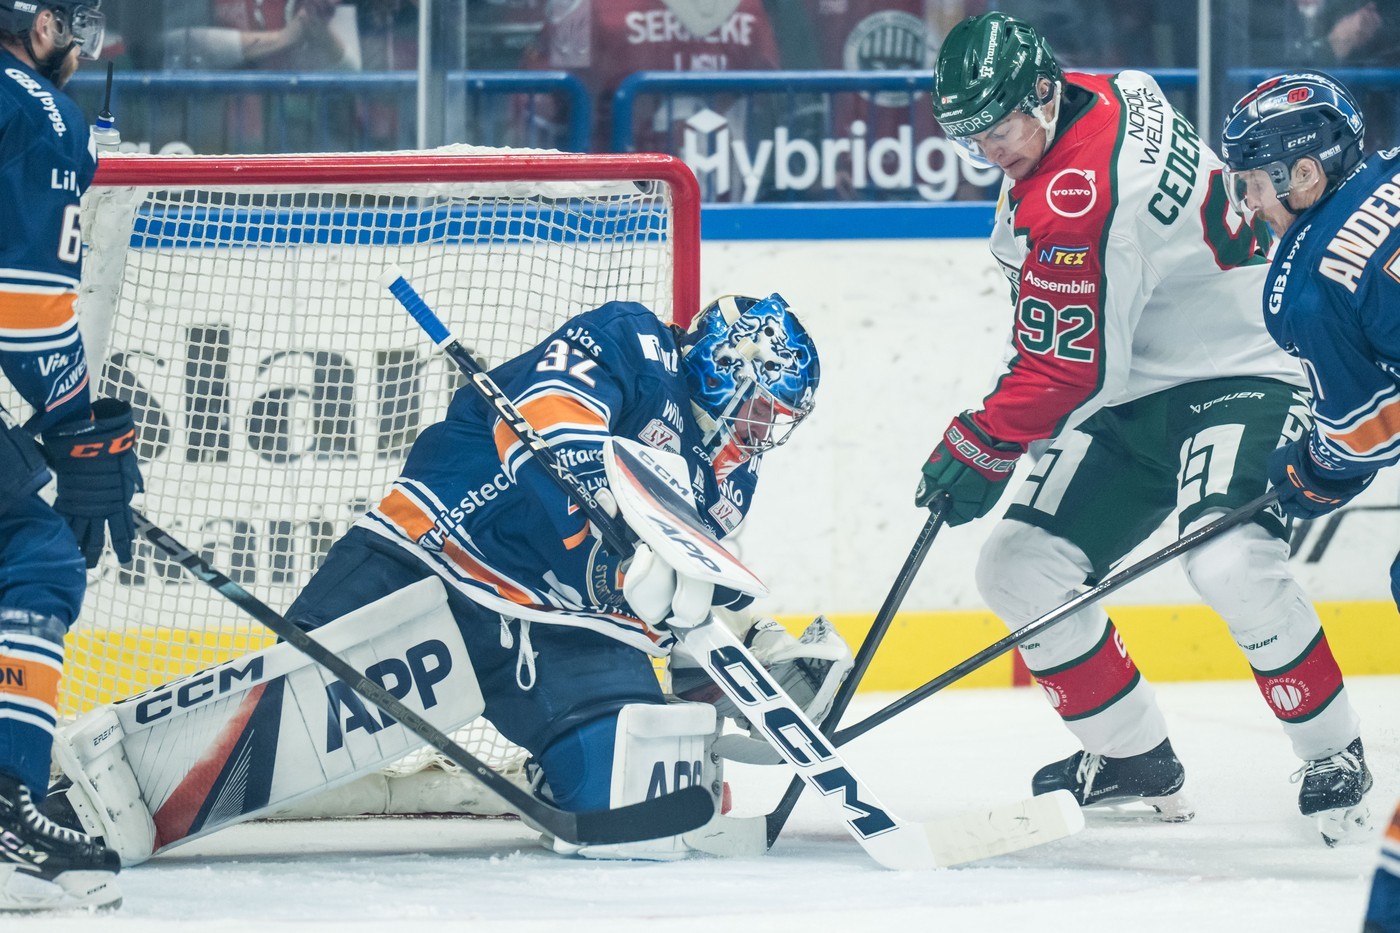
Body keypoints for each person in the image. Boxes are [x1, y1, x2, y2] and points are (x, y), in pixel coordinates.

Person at [919, 12, 1373, 844]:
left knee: (1227, 558)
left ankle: (1332, 751)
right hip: (1131, 386)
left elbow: (1067, 369)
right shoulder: (1114, 88)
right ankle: (1134, 762)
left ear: (1045, 95)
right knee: (1019, 567)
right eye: (969, 136)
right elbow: (1091, 355)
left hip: (1241, 369)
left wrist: (980, 441)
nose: (989, 150)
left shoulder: (1077, 192)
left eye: (1002, 128)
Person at [1218, 69, 1395, 923]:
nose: (1249, 205)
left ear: (1305, 174)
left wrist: (1308, 472)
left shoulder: (1307, 279)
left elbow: (1371, 431)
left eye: (1253, 183)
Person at [0, 0, 142, 912]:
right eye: (70, 18)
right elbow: (28, 300)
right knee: (36, 559)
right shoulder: (34, 107)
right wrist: (66, 413)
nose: (82, 41)